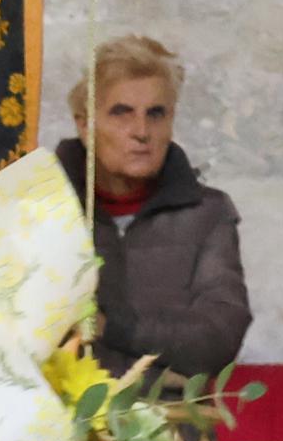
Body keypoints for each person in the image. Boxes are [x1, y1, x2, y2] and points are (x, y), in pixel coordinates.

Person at [53, 34, 250, 378]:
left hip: (171, 420)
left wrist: (111, 328)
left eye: (156, 114)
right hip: (64, 420)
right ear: (85, 126)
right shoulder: (43, 208)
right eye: (121, 113)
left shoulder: (206, 214)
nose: (141, 131)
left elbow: (218, 339)